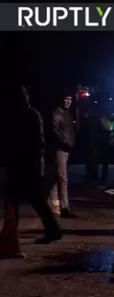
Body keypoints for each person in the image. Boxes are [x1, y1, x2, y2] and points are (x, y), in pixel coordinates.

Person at [1, 84, 62, 244]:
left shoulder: (27, 115)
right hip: (23, 162)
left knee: (27, 200)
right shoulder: (24, 114)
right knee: (24, 200)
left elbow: (37, 142)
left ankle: (12, 232)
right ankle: (13, 231)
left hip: (26, 163)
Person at [48, 93, 78, 218]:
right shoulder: (58, 113)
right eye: (66, 99)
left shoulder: (67, 113)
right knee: (62, 178)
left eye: (70, 99)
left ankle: (55, 207)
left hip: (65, 149)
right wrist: (64, 143)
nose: (68, 102)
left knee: (58, 178)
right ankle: (63, 207)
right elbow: (54, 129)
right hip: (60, 148)